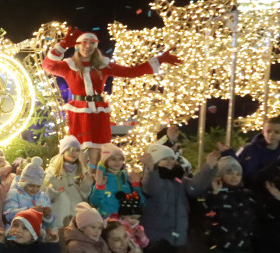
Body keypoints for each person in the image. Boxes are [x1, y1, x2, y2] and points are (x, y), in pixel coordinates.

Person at [41, 26, 180, 167]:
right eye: (84, 42)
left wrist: (159, 59)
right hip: (78, 111)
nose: (87, 46)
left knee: (98, 147)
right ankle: (82, 177)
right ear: (77, 45)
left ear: (96, 46)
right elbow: (47, 65)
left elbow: (131, 72)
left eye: (92, 43)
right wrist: (62, 45)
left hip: (98, 111)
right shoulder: (68, 66)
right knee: (79, 147)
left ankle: (97, 178)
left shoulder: (103, 65)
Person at [138, 143, 216, 253]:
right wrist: (151, 169)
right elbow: (152, 188)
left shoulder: (179, 180)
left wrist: (209, 167)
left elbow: (194, 188)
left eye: (171, 158)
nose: (169, 161)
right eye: (164, 159)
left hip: (177, 235)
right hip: (155, 236)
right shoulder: (151, 178)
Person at [221, 115, 280, 188]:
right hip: (247, 191)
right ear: (263, 131)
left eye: (276, 132)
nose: (271, 134)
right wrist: (229, 154)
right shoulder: (247, 149)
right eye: (268, 131)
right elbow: (235, 166)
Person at [45, 135, 94, 227]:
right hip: (58, 215)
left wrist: (86, 186)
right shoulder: (52, 170)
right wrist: (54, 188)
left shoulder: (83, 171)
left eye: (77, 150)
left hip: (77, 216)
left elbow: (85, 198)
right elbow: (44, 196)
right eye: (70, 149)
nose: (74, 153)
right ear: (63, 151)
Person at [88, 143, 143, 219]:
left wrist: (137, 187)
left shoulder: (126, 177)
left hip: (126, 221)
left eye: (120, 159)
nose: (117, 162)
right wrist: (99, 187)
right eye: (113, 159)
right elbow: (94, 202)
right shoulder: (101, 178)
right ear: (106, 161)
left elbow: (141, 202)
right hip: (108, 220)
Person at [3, 157, 55, 232]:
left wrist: (48, 216)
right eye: (31, 186)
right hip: (17, 235)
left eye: (38, 186)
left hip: (37, 236)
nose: (35, 189)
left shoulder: (43, 196)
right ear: (23, 183)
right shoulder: (14, 194)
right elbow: (8, 215)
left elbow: (49, 224)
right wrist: (29, 211)